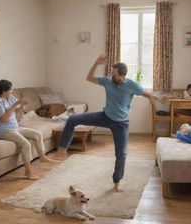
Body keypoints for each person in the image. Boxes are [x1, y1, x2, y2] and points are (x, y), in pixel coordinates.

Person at [54, 54, 166, 192]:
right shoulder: (108, 81)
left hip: (121, 124)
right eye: (112, 74)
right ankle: (62, 149)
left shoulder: (132, 85)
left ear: (123, 74)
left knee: (121, 154)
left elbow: (145, 93)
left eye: (115, 75)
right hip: (105, 116)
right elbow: (89, 78)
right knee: (72, 119)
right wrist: (96, 62)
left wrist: (156, 97)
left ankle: (117, 181)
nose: (113, 77)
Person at [0, 80, 55, 180]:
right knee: (26, 144)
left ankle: (43, 158)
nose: (12, 91)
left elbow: (16, 112)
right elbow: (4, 118)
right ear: (4, 91)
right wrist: (14, 105)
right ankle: (28, 172)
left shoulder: (10, 98)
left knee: (37, 134)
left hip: (14, 127)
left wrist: (23, 105)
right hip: (2, 130)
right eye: (10, 89)